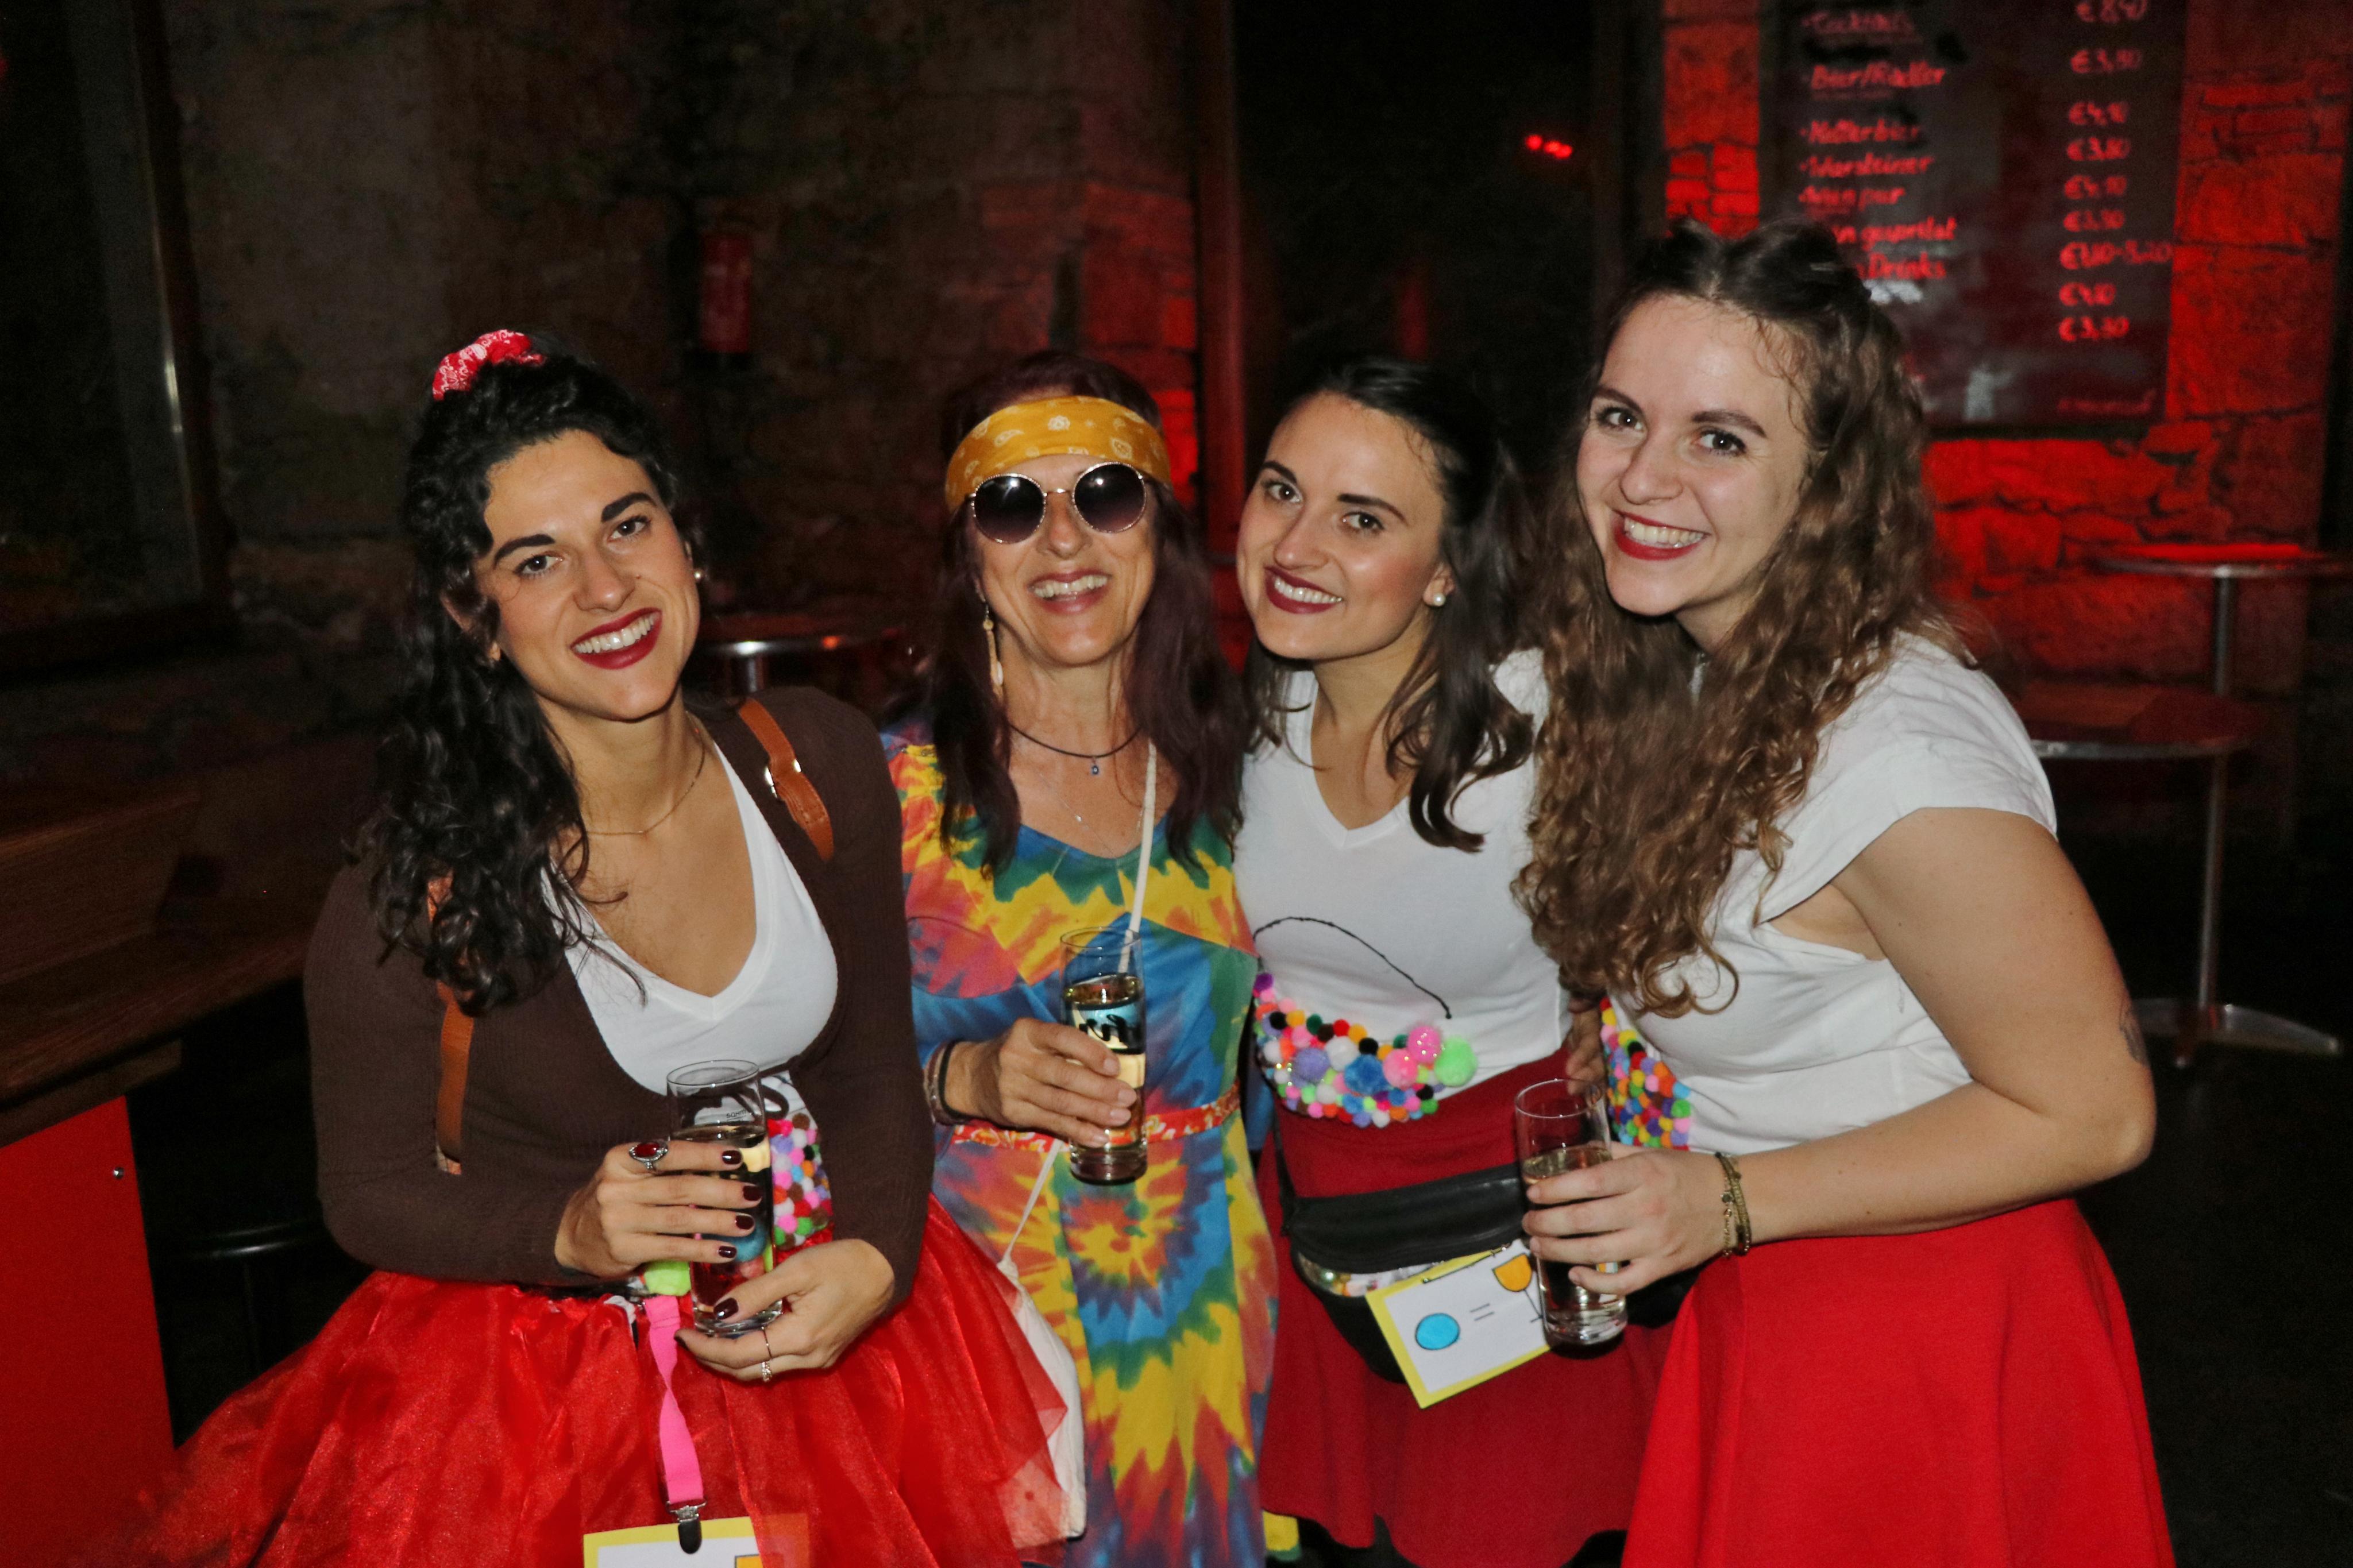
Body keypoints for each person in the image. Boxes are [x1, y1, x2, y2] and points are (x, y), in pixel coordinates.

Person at [97, 333, 1066, 1567]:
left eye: (627, 525)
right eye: (537, 560)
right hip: (537, 1413)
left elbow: (866, 1068)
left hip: (819, 1353)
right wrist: (566, 1228)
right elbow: (367, 1193)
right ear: (477, 618)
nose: (607, 589)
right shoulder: (418, 887)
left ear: (686, 540)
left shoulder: (813, 765)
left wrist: (876, 1257)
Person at [1516, 221, 2173, 1567]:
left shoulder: (1897, 761)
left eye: (1718, 438)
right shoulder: (1705, 662)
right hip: (1782, 1293)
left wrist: (1724, 1199)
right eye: (1621, 416)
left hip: (1919, 1332)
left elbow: (2097, 1112)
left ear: (1824, 483)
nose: (1641, 476)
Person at [1233, 359, 1665, 1568]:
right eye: (1281, 490)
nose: (1295, 545)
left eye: (1361, 518)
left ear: (1444, 567)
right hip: (1318, 1235)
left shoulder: (1546, 728)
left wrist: (1619, 1020)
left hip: (1509, 1249)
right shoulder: (1244, 716)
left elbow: (1703, 917)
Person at [886, 350, 1277, 1568]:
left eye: (1103, 494)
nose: (1063, 540)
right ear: (970, 554)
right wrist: (962, 1077)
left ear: (1158, 525)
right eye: (1012, 505)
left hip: (1201, 1328)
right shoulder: (889, 798)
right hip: (979, 1337)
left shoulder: (1242, 773)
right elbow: (773, 1079)